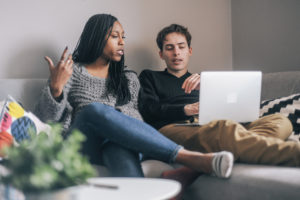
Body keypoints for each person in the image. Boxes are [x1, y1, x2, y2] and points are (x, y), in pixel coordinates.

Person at [34, 14, 234, 179]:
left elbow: (135, 117)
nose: (122, 42)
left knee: (117, 147)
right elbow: (43, 122)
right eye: (115, 36)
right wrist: (56, 88)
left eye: (123, 37)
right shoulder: (71, 72)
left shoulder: (128, 78)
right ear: (96, 38)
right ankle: (186, 157)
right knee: (94, 110)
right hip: (82, 145)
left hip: (117, 141)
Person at [138, 23, 300, 167]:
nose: (176, 53)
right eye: (169, 48)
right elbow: (149, 109)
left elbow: (228, 107)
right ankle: (293, 154)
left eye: (181, 46)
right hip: (173, 128)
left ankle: (234, 150)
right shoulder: (149, 76)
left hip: (211, 125)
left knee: (280, 120)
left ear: (190, 50)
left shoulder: (205, 80)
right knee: (224, 129)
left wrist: (207, 89)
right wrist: (187, 109)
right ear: (161, 54)